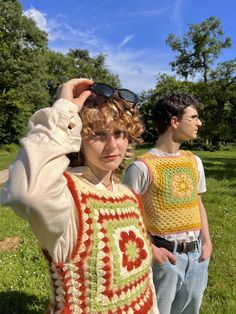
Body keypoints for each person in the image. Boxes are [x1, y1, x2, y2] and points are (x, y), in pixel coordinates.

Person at [0, 78, 159, 314]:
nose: (112, 145)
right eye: (99, 134)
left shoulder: (128, 196)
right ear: (80, 137)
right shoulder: (67, 195)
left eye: (120, 133)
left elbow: (143, 282)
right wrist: (64, 110)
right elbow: (28, 193)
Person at [124, 92, 212, 314]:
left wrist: (207, 242)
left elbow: (197, 203)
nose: (199, 123)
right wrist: (152, 250)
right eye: (193, 117)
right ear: (174, 121)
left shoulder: (194, 161)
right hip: (165, 258)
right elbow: (127, 217)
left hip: (197, 255)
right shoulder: (142, 167)